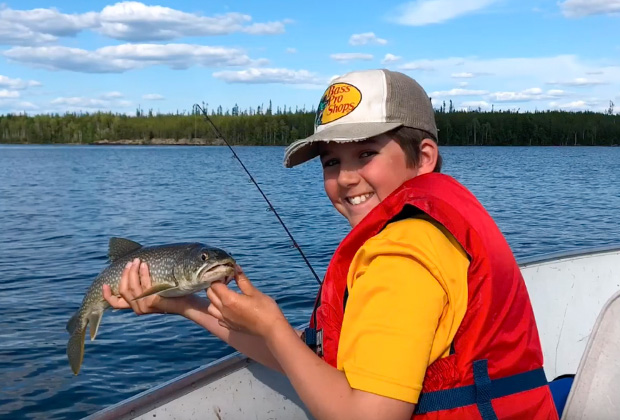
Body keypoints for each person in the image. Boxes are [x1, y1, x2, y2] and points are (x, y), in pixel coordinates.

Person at [104, 69, 558, 419]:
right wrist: (187, 307)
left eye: (366, 153)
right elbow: (309, 363)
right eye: (331, 161)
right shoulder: (428, 228)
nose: (345, 178)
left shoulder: (404, 254)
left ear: (423, 157)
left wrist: (276, 329)